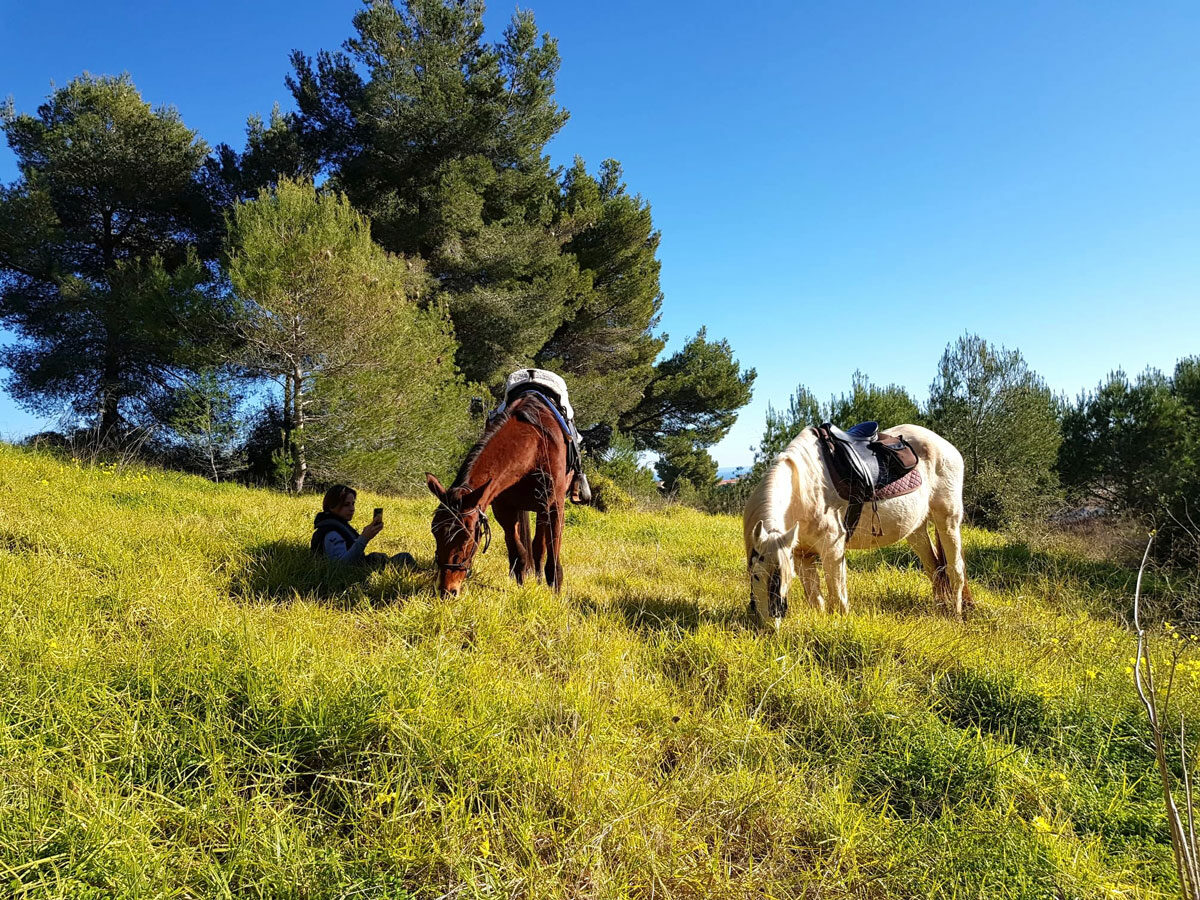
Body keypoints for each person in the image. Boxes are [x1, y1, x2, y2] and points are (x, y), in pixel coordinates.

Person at [491, 368, 592, 503]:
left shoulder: (558, 386)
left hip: (553, 384)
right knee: (495, 420)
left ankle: (577, 471)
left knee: (568, 418)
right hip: (516, 383)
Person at [311, 484, 416, 569]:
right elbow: (342, 565)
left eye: (353, 504)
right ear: (332, 506)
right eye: (346, 505)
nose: (352, 509)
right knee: (405, 558)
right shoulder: (331, 533)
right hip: (356, 576)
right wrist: (364, 538)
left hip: (361, 568)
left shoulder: (337, 525)